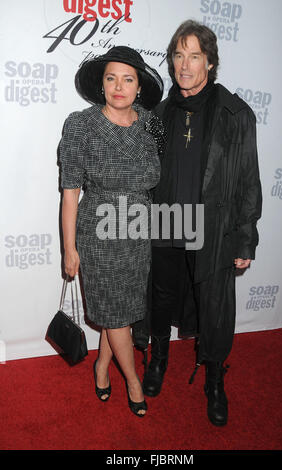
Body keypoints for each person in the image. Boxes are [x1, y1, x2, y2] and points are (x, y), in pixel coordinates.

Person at [142, 20, 262, 426]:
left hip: (213, 226)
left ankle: (214, 379)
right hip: (164, 220)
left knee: (213, 307)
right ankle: (157, 360)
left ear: (209, 62)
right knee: (159, 296)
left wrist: (245, 240)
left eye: (194, 55)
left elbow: (248, 178)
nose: (184, 65)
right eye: (178, 55)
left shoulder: (235, 113)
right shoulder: (159, 113)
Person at [58, 46, 164, 417]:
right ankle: (133, 383)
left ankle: (101, 366)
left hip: (138, 232)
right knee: (116, 314)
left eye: (128, 78)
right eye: (111, 77)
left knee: (119, 310)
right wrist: (69, 248)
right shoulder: (80, 125)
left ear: (139, 86)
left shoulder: (153, 124)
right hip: (98, 234)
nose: (119, 86)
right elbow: (70, 193)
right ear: (101, 84)